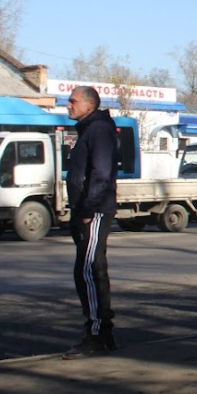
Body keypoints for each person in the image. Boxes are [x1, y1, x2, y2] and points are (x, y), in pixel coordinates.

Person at [63, 86, 120, 359]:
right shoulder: (89, 129)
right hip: (87, 210)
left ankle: (97, 335)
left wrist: (88, 209)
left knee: (89, 270)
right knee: (88, 270)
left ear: (89, 104)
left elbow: (101, 173)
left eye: (73, 101)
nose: (68, 105)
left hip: (94, 211)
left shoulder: (98, 129)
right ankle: (102, 334)